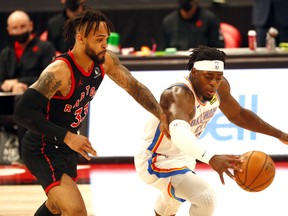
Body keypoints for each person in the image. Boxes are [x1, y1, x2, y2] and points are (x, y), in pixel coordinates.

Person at [13, 8, 169, 216]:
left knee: (56, 206)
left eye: (106, 38)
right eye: (99, 39)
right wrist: (68, 136)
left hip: (67, 146)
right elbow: (23, 112)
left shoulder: (105, 61)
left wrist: (161, 114)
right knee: (76, 211)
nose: (105, 44)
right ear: (81, 39)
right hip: (43, 146)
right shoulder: (60, 71)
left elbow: (134, 86)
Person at [134, 45, 288, 216]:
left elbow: (238, 114)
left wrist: (280, 134)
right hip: (156, 157)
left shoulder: (219, 88)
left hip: (184, 155)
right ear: (194, 73)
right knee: (205, 197)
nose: (213, 83)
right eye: (208, 77)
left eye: (218, 77)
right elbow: (179, 134)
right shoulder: (178, 94)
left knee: (172, 200)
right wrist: (211, 158)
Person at [0, 10, 56, 166]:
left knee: (21, 100)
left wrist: (21, 83)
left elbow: (48, 77)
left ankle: (25, 156)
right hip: (8, 97)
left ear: (31, 26)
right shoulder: (6, 53)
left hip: (38, 97)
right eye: (15, 28)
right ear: (9, 30)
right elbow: (2, 79)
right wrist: (7, 85)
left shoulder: (45, 48)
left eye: (22, 26)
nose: (19, 31)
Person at [158, 0, 224, 51]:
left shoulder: (210, 19)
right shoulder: (168, 22)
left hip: (202, 63)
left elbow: (219, 48)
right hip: (176, 64)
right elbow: (162, 51)